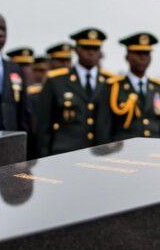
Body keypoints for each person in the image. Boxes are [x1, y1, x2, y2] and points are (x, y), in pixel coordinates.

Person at [35, 28, 112, 156]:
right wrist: (44, 160)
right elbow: (43, 126)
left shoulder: (110, 82)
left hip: (101, 155)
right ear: (76, 49)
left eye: (95, 49)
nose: (91, 53)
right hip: (66, 154)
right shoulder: (55, 81)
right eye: (86, 48)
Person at [96, 32, 160, 142]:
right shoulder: (113, 87)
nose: (142, 58)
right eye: (138, 53)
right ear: (127, 56)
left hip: (154, 152)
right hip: (123, 153)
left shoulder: (159, 89)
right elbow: (103, 128)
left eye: (146, 54)